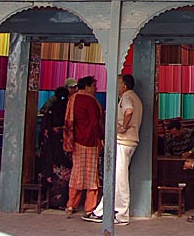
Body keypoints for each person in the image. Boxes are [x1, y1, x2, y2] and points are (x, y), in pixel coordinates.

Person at [83, 74, 143, 226]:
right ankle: (102, 211)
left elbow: (128, 111)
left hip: (123, 141)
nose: (116, 86)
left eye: (118, 83)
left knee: (120, 178)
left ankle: (121, 214)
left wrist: (122, 127)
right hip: (129, 141)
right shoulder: (136, 98)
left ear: (124, 86)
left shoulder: (127, 97)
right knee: (115, 177)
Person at [64, 76, 104, 216]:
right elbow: (94, 123)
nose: (96, 89)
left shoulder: (73, 99)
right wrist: (102, 137)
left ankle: (71, 205)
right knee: (91, 174)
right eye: (94, 86)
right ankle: (89, 207)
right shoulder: (90, 101)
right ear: (87, 86)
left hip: (76, 141)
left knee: (77, 173)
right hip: (91, 141)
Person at [39, 86, 72, 209]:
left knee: (54, 172)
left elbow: (45, 129)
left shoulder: (51, 109)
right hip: (63, 146)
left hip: (51, 148)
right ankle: (61, 201)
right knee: (64, 172)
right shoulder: (67, 109)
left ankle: (52, 200)